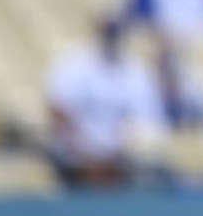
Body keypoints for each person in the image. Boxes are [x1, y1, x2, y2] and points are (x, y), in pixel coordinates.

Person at [46, 19, 166, 187]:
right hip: (76, 156)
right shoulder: (75, 65)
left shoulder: (134, 70)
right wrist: (84, 152)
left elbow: (145, 118)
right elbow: (58, 111)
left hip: (117, 158)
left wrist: (117, 152)